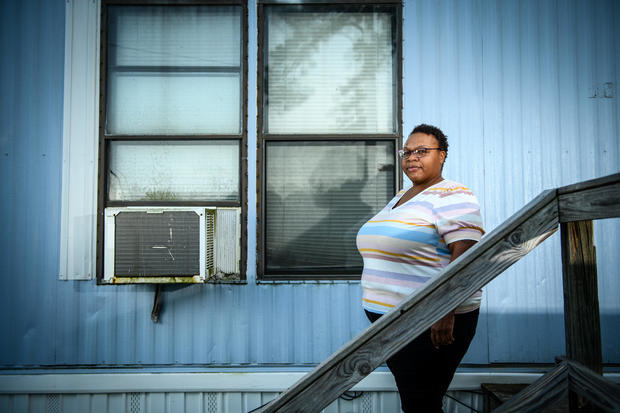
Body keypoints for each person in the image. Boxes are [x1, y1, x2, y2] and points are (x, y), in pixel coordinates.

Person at [356, 124, 484, 413]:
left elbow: (468, 253)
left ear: (442, 156)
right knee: (417, 403)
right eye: (407, 152)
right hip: (392, 320)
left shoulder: (452, 194)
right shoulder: (404, 195)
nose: (412, 158)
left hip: (428, 320)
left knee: (421, 405)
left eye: (422, 151)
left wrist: (444, 308)